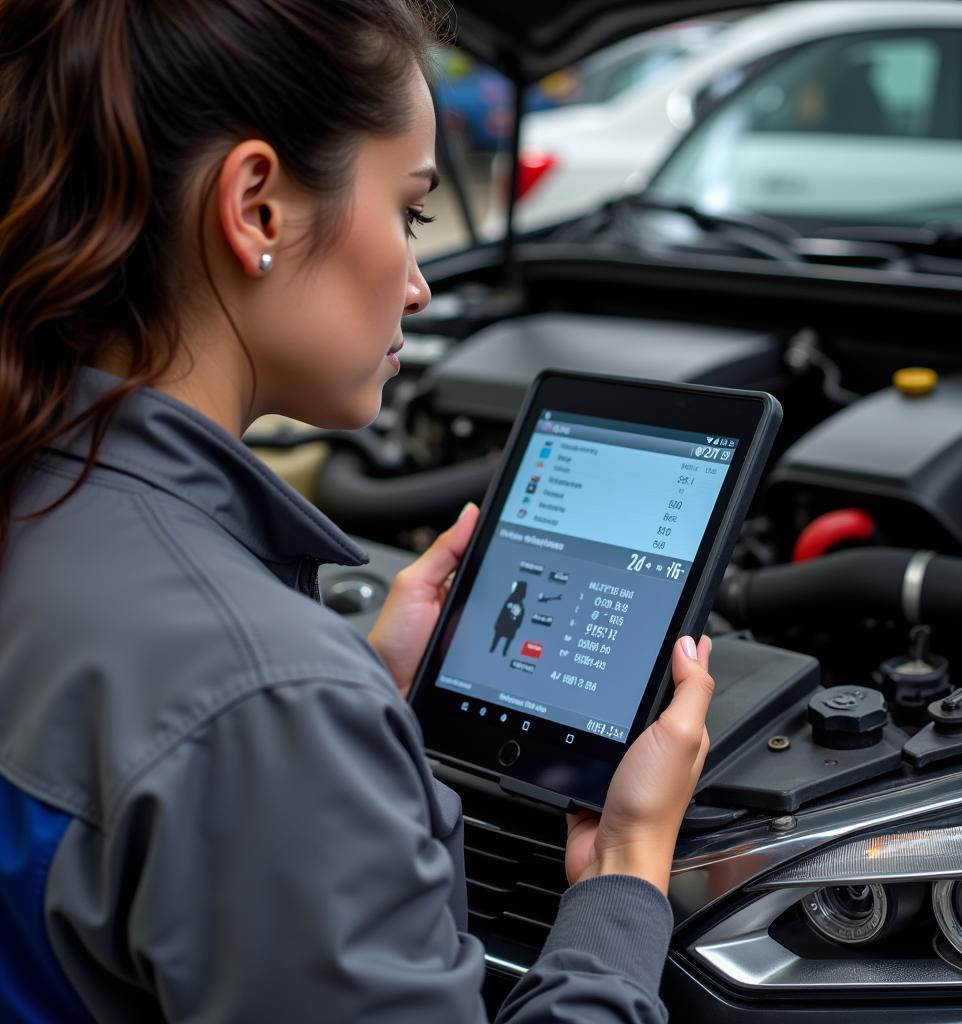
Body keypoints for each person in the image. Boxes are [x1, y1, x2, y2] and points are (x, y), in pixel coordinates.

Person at [0, 1, 716, 1021]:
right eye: (411, 211)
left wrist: (357, 701)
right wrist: (626, 879)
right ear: (256, 207)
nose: (420, 285)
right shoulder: (265, 700)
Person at [490, 580, 527, 655]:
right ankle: (496, 650)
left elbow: (519, 621)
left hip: (508, 627)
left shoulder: (519, 606)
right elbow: (503, 613)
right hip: (504, 626)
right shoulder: (513, 602)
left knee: (501, 640)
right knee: (497, 639)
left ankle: (502, 651)